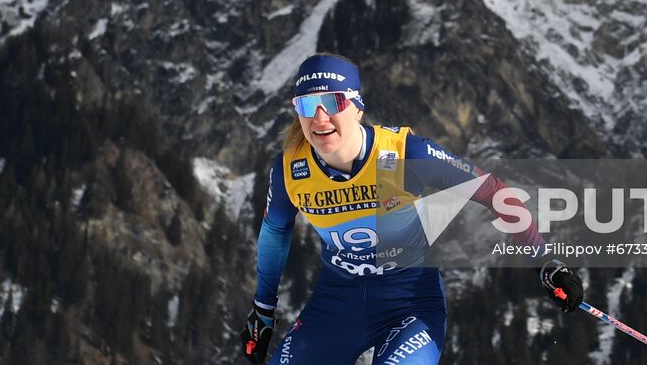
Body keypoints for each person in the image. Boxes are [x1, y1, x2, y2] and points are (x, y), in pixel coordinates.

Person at [240, 52, 583, 364]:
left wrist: (545, 261)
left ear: (357, 107)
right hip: (338, 302)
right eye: (306, 104)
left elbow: (492, 191)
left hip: (410, 302)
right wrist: (263, 309)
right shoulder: (289, 170)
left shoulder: (406, 153)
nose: (319, 117)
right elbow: (276, 229)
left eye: (332, 101)